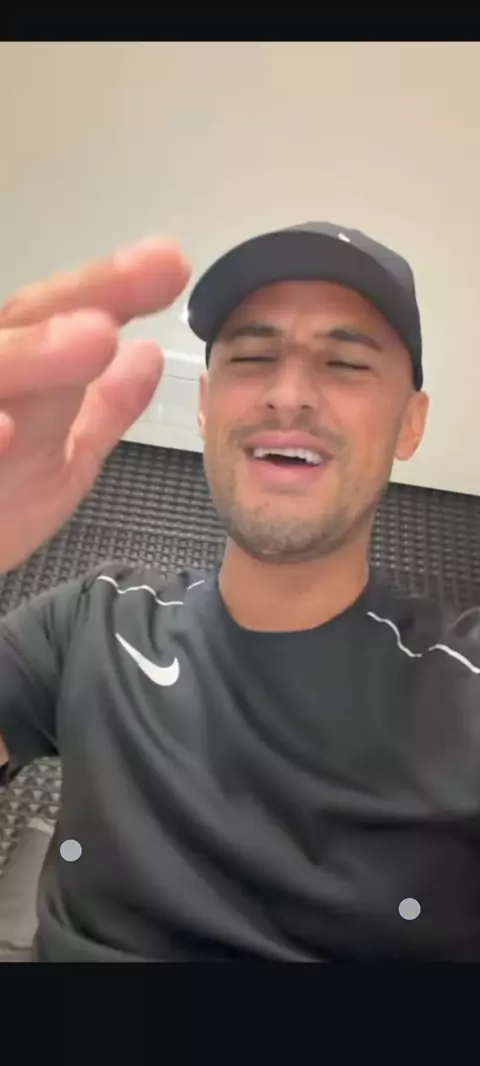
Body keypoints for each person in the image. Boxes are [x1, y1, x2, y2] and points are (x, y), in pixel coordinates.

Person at [0, 221, 479, 963]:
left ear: (409, 425)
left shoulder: (466, 686)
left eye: (345, 363)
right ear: (205, 405)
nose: (288, 395)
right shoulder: (91, 620)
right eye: (253, 358)